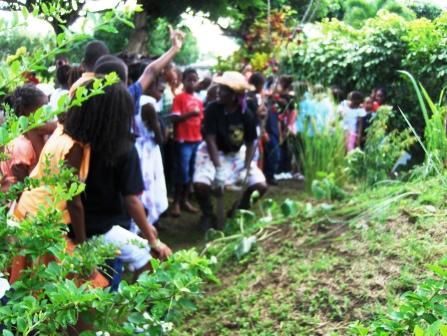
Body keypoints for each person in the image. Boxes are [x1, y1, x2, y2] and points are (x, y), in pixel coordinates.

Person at [85, 59, 172, 275]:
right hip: (103, 227)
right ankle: (137, 305)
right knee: (153, 259)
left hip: (82, 224)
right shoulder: (124, 147)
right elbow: (132, 201)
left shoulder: (83, 138)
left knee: (110, 273)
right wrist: (153, 240)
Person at [193, 71, 268, 230]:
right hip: (212, 152)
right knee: (200, 185)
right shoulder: (213, 109)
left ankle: (238, 210)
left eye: (224, 90)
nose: (219, 92)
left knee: (260, 186)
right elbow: (210, 140)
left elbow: (249, 143)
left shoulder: (246, 114)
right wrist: (218, 168)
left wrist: (246, 167)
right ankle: (208, 214)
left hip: (236, 154)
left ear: (235, 95)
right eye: (219, 88)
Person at [0, 85, 48, 192]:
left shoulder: (28, 137)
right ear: (24, 112)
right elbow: (24, 190)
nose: (46, 112)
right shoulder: (21, 147)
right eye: (41, 109)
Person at [170, 68, 203, 216]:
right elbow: (174, 119)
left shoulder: (199, 100)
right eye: (189, 79)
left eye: (195, 80)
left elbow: (201, 120)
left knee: (191, 171)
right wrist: (190, 114)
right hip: (183, 140)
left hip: (196, 139)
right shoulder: (179, 98)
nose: (192, 83)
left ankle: (185, 200)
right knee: (181, 172)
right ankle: (176, 202)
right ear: (183, 81)